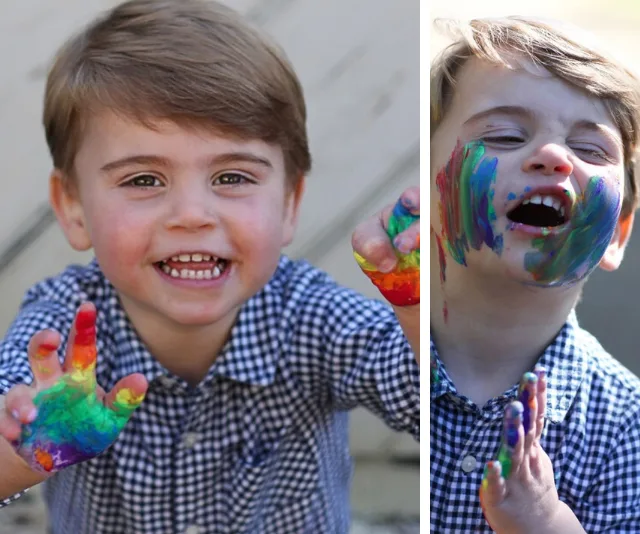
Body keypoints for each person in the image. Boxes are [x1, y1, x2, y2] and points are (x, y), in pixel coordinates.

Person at [0, 1, 420, 533]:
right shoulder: (63, 326)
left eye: (232, 177)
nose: (193, 215)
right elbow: (11, 406)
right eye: (143, 180)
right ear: (74, 207)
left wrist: (416, 309)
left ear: (289, 203)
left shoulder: (315, 316)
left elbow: (430, 405)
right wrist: (24, 454)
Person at [430, 16, 640, 534]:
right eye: (503, 136)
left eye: (590, 149)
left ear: (617, 234)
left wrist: (543, 523)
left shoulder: (626, 428)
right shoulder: (376, 348)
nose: (552, 157)